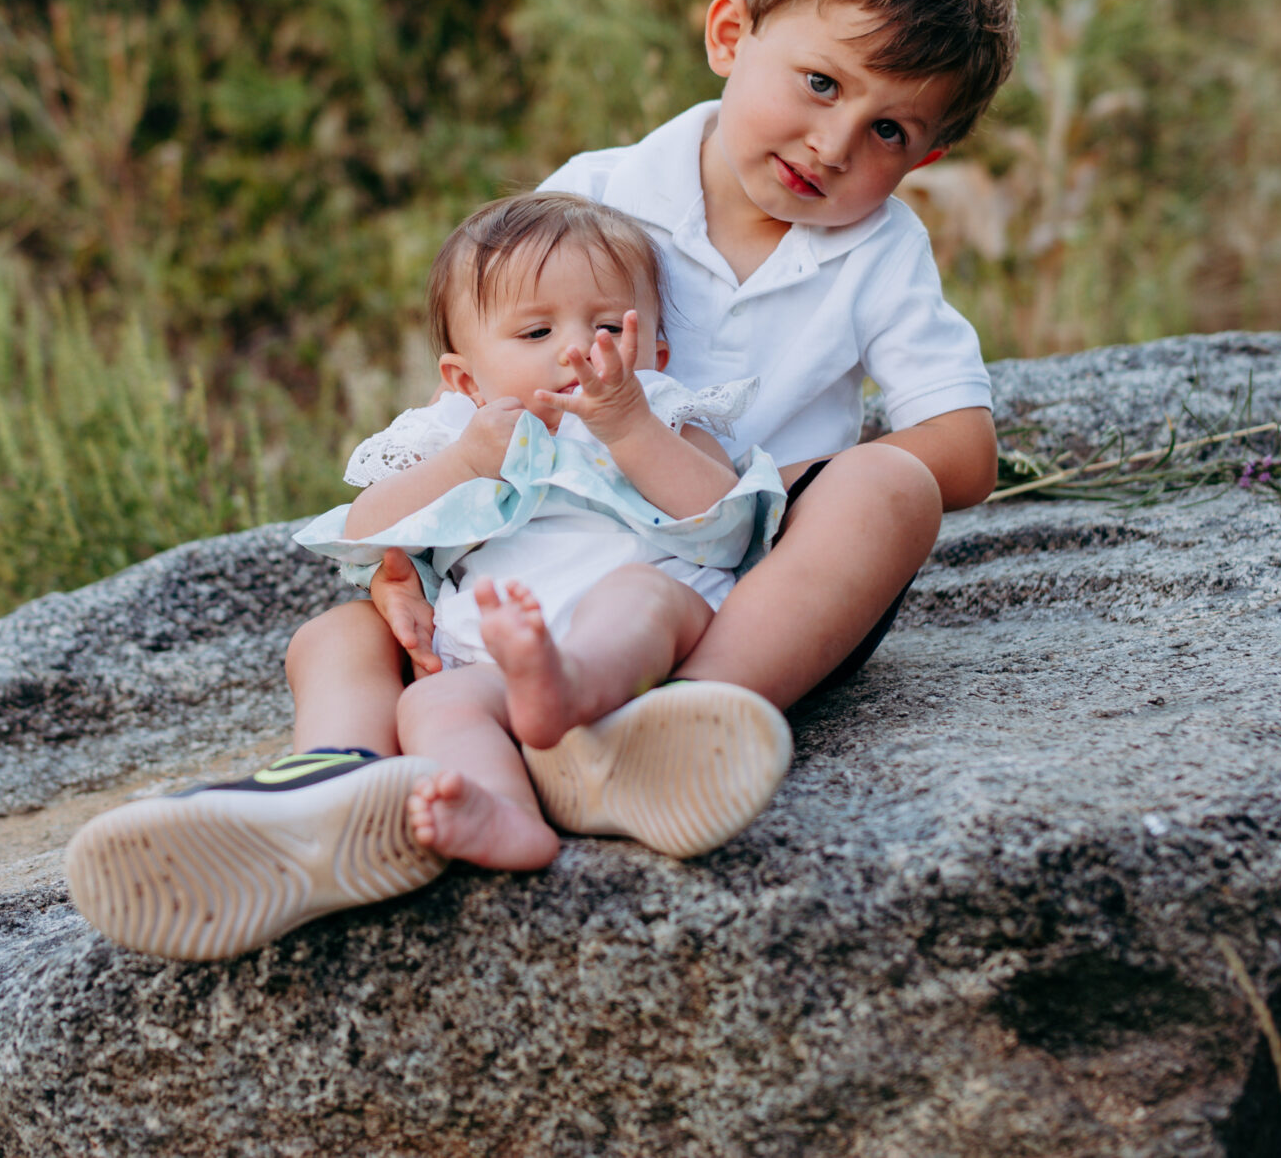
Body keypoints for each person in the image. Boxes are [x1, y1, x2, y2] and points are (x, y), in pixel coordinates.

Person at [68, 0, 1015, 956]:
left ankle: (668, 727)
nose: (835, 141)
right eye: (816, 80)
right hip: (529, 557)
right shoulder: (600, 192)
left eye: (887, 127)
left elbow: (963, 453)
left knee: (885, 486)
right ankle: (335, 784)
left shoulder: (877, 249)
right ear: (727, 33)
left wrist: (762, 479)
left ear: (925, 157)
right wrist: (406, 555)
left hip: (721, 577)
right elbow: (481, 378)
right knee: (335, 636)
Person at [65, 193, 795, 959]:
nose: (576, 349)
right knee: (432, 702)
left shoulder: (669, 412)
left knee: (637, 597)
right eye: (538, 331)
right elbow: (363, 529)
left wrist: (631, 425)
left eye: (609, 325)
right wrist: (467, 461)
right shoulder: (455, 432)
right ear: (463, 378)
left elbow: (726, 521)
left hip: (624, 634)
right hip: (484, 655)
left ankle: (570, 691)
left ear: (661, 351)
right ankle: (470, 808)